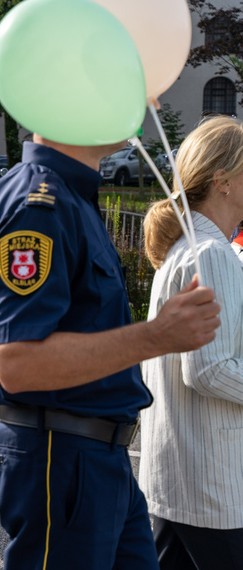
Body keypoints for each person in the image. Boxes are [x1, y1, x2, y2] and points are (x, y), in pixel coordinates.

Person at [0, 134, 221, 569]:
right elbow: (18, 363)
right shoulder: (37, 204)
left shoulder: (68, 194)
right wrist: (157, 335)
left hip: (95, 457)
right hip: (61, 456)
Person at [141, 116, 243, 569]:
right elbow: (210, 368)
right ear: (223, 180)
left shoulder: (188, 245)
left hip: (179, 473)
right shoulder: (213, 253)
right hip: (212, 481)